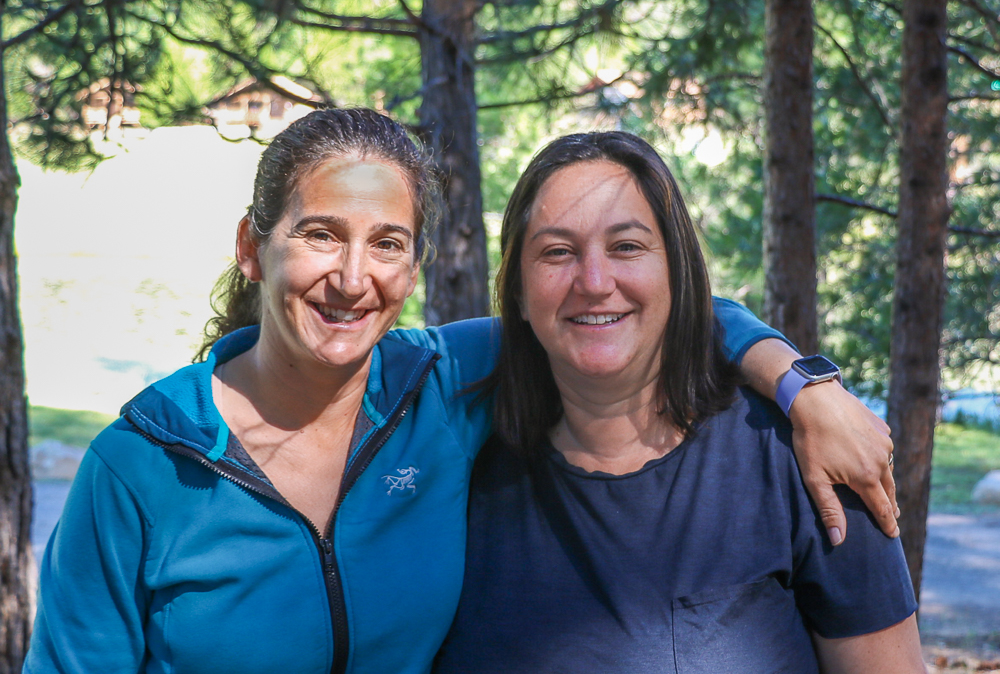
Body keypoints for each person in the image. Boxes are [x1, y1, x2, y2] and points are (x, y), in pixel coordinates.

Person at [26, 110, 900, 674]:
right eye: (321, 234)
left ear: (413, 268)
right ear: (254, 249)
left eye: (387, 243)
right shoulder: (140, 469)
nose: (352, 277)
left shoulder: (439, 388)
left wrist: (801, 383)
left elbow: (633, 314)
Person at [434, 131, 923, 674]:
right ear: (519, 293)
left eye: (627, 246)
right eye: (557, 252)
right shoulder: (454, 472)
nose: (594, 282)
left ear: (677, 273)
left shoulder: (803, 456)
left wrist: (802, 385)